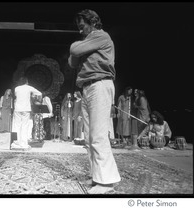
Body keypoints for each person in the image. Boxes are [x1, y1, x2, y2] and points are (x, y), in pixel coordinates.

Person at [68, 9, 121, 194]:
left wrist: (78, 47)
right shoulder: (87, 42)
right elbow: (72, 63)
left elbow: (73, 51)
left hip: (99, 85)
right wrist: (79, 47)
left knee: (98, 135)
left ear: (92, 23)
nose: (80, 30)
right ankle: (97, 176)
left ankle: (106, 183)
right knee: (90, 138)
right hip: (87, 87)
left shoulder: (101, 36)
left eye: (82, 26)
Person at [11, 76, 42, 150]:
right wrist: (34, 96)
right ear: (26, 82)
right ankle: (24, 143)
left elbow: (16, 96)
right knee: (25, 126)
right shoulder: (28, 87)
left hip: (17, 109)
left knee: (16, 126)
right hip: (26, 109)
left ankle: (15, 143)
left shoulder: (16, 88)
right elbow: (39, 93)